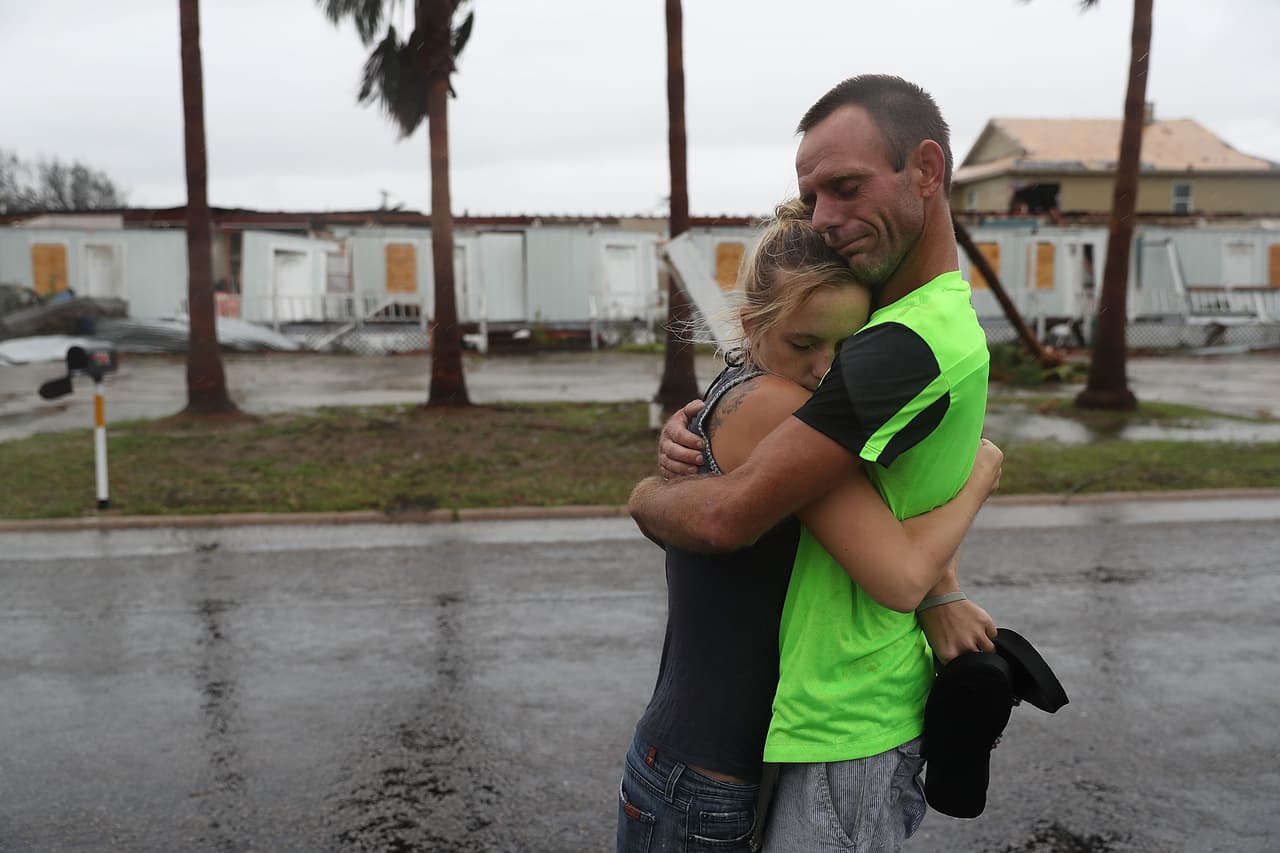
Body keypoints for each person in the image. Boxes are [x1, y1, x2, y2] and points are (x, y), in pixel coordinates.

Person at [630, 74, 997, 851]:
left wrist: (944, 590)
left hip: (759, 745)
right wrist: (980, 477)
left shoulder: (889, 346)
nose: (827, 371)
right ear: (756, 323)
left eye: (848, 186)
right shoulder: (799, 388)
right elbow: (887, 526)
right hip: (734, 757)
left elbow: (834, 507)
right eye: (815, 195)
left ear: (926, 171)